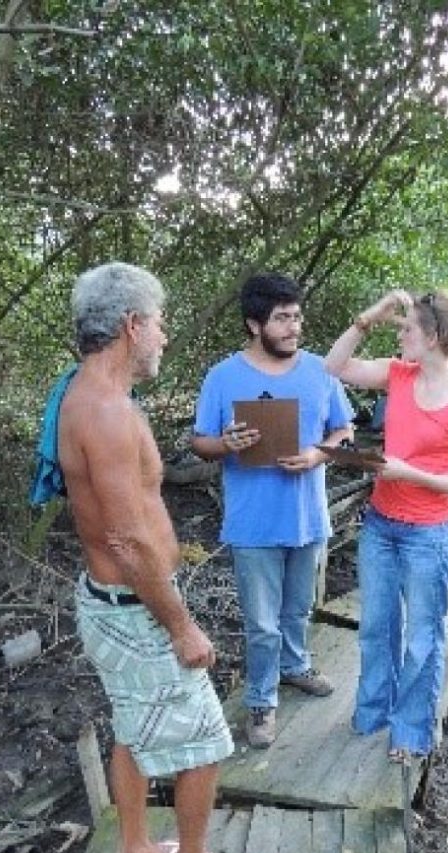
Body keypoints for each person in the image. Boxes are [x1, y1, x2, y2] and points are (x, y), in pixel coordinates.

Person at [52, 262, 268, 853]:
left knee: (133, 725)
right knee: (204, 740)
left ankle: (138, 852)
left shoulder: (87, 395)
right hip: (133, 607)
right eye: (160, 324)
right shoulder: (107, 413)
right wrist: (181, 626)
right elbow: (129, 539)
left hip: (108, 600)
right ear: (132, 325)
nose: (165, 337)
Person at [324, 288, 448, 761]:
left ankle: (412, 731)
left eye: (407, 327)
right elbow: (333, 367)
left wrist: (407, 473)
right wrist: (367, 317)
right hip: (381, 526)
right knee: (376, 628)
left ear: (434, 337)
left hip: (429, 536)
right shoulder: (398, 374)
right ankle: (374, 713)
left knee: (422, 638)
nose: (400, 332)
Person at [191, 272, 354, 749]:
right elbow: (200, 443)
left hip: (308, 517)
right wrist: (225, 443)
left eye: (297, 317)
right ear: (253, 324)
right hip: (252, 522)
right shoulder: (223, 377)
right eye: (282, 318)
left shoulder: (321, 370)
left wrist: (319, 455)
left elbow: (343, 432)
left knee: (299, 608)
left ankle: (295, 666)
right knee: (261, 623)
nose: (293, 327)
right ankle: (261, 701)